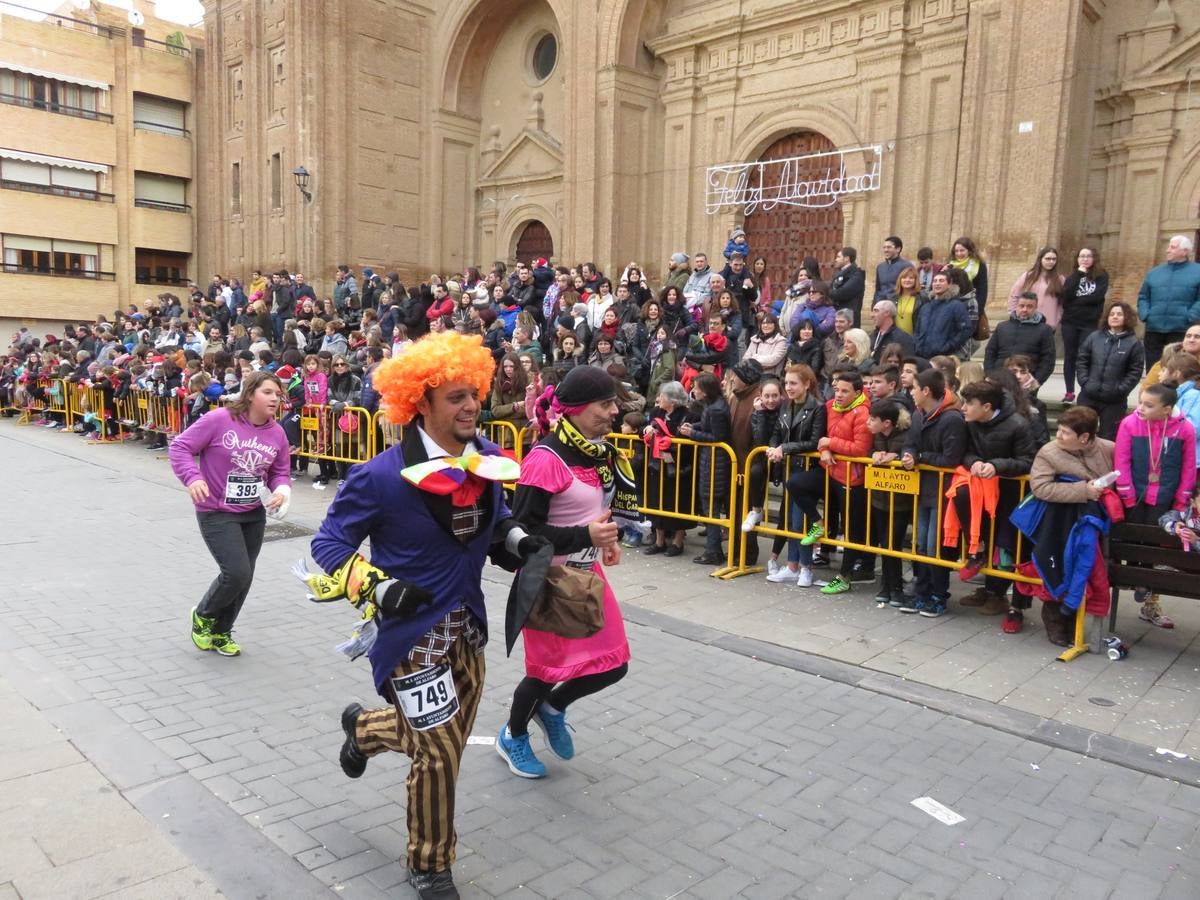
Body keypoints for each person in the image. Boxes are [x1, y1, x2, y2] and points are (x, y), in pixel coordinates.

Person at [308, 331, 536, 900]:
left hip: (469, 629)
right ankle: (430, 865)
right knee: (437, 754)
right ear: (422, 403)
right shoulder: (379, 477)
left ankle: (363, 730)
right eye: (456, 397)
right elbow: (329, 545)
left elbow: (496, 523)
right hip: (412, 636)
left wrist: (518, 542)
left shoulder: (485, 463)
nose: (470, 406)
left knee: (444, 744)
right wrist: (379, 588)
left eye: (473, 394)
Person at [499, 366, 633, 779]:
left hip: (587, 573)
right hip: (547, 580)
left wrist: (605, 541)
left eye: (614, 403)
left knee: (614, 663)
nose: (614, 412)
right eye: (605, 404)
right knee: (546, 672)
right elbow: (522, 529)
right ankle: (514, 735)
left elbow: (597, 510)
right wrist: (583, 534)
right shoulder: (546, 459)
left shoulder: (600, 452)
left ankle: (554, 709)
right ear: (575, 409)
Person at [169, 371, 291, 657]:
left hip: (252, 513)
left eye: (278, 394)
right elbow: (180, 447)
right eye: (268, 392)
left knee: (245, 577)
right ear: (250, 394)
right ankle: (203, 615)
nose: (275, 398)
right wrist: (193, 478)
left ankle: (222, 631)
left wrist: (282, 491)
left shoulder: (277, 432)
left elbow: (280, 471)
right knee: (236, 572)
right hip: (216, 510)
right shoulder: (220, 419)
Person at [948, 379, 1036, 622]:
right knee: (985, 537)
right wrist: (973, 462)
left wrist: (996, 466)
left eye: (969, 403)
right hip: (981, 492)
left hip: (1010, 495)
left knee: (1006, 546)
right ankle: (987, 588)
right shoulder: (971, 423)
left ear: (986, 407)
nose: (963, 408)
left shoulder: (1018, 425)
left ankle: (1001, 596)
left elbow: (1028, 460)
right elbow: (965, 452)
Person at [1027, 406, 1115, 646]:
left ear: (1084, 437)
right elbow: (1041, 488)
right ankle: (1054, 616)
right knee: (1058, 567)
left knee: (1083, 569)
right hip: (1058, 523)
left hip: (1092, 523)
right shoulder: (1048, 453)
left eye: (1065, 433)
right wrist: (1083, 491)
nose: (1059, 436)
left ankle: (1074, 614)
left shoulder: (1107, 449)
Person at [1115, 383, 1197, 629]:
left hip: (1164, 498)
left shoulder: (1185, 429)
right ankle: (1130, 577)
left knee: (1154, 547)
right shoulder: (1130, 424)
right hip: (1135, 495)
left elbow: (1189, 466)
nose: (1140, 408)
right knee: (1132, 542)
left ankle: (1148, 593)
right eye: (1140, 402)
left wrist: (1181, 499)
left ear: (1167, 409)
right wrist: (1126, 492)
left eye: (1148, 405)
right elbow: (1122, 458)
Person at [899, 368, 967, 614]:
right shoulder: (919, 415)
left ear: (926, 391)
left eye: (913, 388)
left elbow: (951, 458)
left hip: (942, 491)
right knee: (921, 543)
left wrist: (919, 457)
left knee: (935, 546)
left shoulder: (952, 419)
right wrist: (907, 454)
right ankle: (922, 591)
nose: (911, 392)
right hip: (923, 488)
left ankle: (938, 595)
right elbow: (910, 443)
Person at [765, 364, 827, 586]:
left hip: (807, 470)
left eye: (793, 383)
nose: (788, 387)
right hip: (789, 468)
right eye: (786, 383)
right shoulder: (785, 406)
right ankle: (792, 565)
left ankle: (806, 567)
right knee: (791, 519)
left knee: (801, 519)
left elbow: (813, 440)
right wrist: (773, 448)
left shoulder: (818, 407)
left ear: (807, 384)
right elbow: (775, 433)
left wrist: (785, 448)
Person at [680, 372, 732, 565]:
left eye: (697, 387)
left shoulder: (717, 408)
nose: (694, 390)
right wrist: (693, 426)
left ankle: (713, 551)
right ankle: (713, 549)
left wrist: (692, 433)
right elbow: (708, 425)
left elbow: (718, 437)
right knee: (710, 506)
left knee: (711, 507)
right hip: (710, 460)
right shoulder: (712, 405)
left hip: (715, 462)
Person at [1076, 300, 1146, 440]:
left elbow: (1135, 371)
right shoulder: (1094, 337)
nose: (1114, 317)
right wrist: (1085, 382)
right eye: (1112, 314)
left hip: (1114, 400)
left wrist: (1120, 389)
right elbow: (1082, 361)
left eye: (1119, 314)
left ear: (1127, 317)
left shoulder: (1134, 343)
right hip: (1089, 395)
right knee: (1080, 432)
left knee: (1108, 437)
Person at [641, 381, 696, 556]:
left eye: (662, 396)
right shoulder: (657, 412)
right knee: (656, 501)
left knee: (678, 503)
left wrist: (673, 454)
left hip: (678, 466)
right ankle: (659, 541)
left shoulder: (688, 415)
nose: (658, 399)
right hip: (657, 465)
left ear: (672, 400)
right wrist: (647, 429)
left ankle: (678, 542)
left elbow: (689, 443)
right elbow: (643, 431)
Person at [866, 399, 912, 607]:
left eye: (872, 419)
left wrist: (898, 456)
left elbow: (913, 455)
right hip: (879, 498)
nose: (868, 422)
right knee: (885, 543)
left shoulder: (905, 437)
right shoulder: (876, 437)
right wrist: (873, 454)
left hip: (900, 501)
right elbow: (865, 452)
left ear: (886, 423)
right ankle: (886, 585)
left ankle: (896, 588)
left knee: (893, 543)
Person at [1136, 235, 1200, 366]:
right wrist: (1146, 314)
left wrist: (1190, 316)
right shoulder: (1154, 273)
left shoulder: (1197, 271)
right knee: (1153, 368)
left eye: (1172, 247)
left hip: (1181, 329)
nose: (1167, 250)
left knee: (1178, 369)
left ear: (1185, 251)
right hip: (1154, 328)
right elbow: (1143, 296)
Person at [1059, 248, 1108, 403]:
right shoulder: (1073, 277)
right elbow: (1065, 298)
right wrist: (1079, 275)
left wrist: (1076, 301)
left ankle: (1086, 389)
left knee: (1086, 356)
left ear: (1094, 258)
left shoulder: (1101, 276)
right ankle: (1069, 391)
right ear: (1077, 259)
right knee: (1070, 356)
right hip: (1070, 322)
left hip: (1089, 323)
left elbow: (1097, 297)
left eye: (1089, 256)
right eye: (1082, 256)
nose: (1085, 259)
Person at [983, 292, 1056, 394]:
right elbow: (990, 352)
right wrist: (990, 375)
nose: (1025, 309)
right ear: (1016, 306)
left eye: (1029, 306)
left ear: (1035, 308)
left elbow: (1048, 360)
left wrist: (1036, 381)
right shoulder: (1002, 327)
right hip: (999, 380)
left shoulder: (1045, 330)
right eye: (1022, 306)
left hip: (1026, 383)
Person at [913, 270, 971, 361]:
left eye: (941, 280)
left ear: (949, 284)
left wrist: (948, 346)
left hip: (943, 357)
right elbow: (917, 330)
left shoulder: (956, 305)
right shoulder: (926, 307)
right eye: (935, 281)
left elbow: (965, 329)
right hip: (922, 355)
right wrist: (918, 344)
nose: (937, 283)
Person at [1007, 247, 1064, 328]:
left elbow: (1062, 303)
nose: (1051, 262)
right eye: (1048, 259)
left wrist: (1057, 319)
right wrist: (1014, 314)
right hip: (1027, 321)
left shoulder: (1060, 279)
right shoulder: (1028, 276)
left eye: (1054, 259)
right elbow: (1014, 295)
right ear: (1040, 259)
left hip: (1049, 325)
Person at [829, 247, 866, 327]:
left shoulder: (856, 275)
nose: (836, 259)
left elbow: (841, 293)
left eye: (838, 257)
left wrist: (826, 292)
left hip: (849, 318)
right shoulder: (839, 273)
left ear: (846, 258)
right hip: (838, 315)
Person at [873, 235, 912, 303]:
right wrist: (874, 304)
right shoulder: (880, 267)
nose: (885, 250)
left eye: (889, 247)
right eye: (884, 247)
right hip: (881, 305)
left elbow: (909, 289)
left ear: (898, 249)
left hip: (898, 305)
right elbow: (878, 289)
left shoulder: (906, 266)